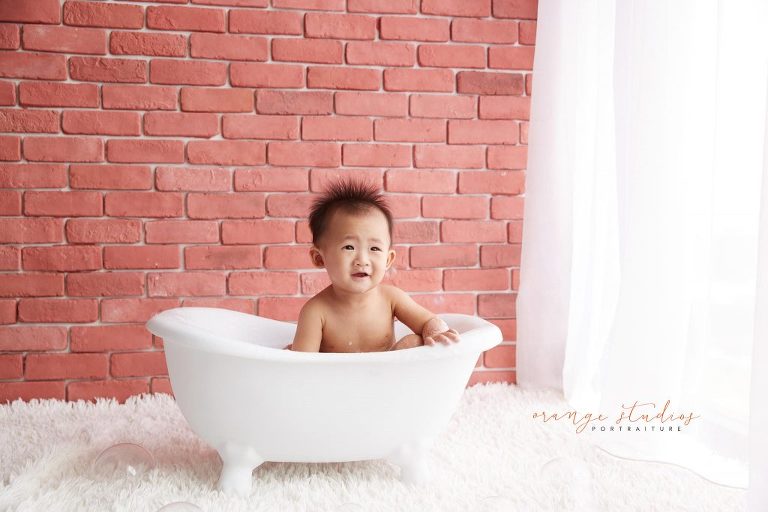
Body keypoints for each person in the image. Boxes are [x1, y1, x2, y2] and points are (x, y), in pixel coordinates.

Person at [286, 179, 460, 352]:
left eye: (374, 248)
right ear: (319, 258)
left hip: (386, 377)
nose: (362, 260)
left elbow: (428, 322)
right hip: (338, 379)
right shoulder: (316, 312)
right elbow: (303, 366)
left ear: (388, 259)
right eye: (349, 247)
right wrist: (296, 353)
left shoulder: (391, 298)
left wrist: (436, 333)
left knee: (414, 342)